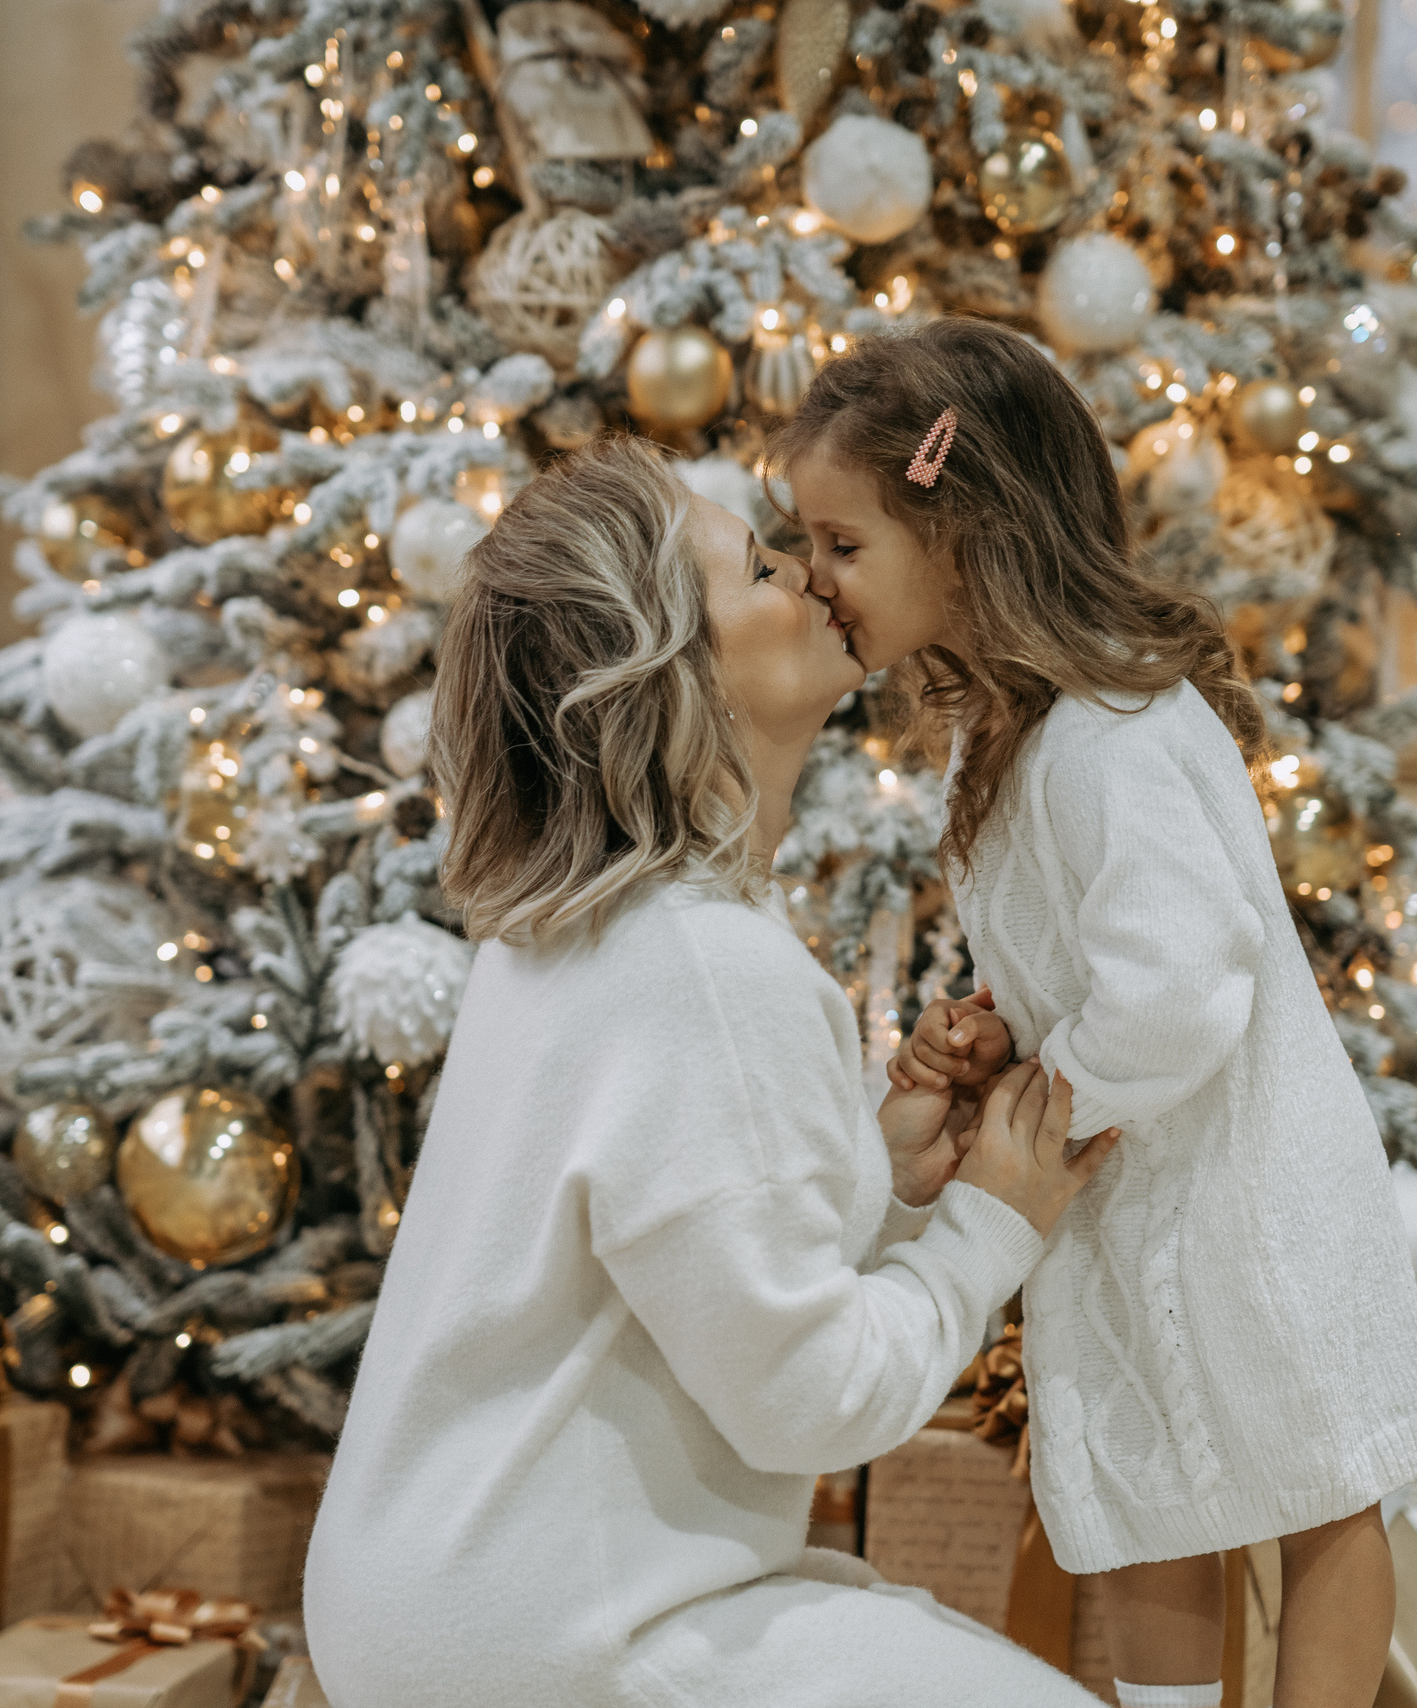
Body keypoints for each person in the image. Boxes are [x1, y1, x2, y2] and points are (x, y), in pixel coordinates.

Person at [301, 436, 1122, 1708]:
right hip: (553, 1642)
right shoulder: (701, 970)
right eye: (757, 567)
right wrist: (985, 1230)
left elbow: (676, 1258)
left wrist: (886, 1174)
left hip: (443, 1610)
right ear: (669, 669)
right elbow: (810, 1399)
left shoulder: (582, 937)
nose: (806, 574)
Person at [769, 317, 1417, 1708]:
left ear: (963, 530)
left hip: (1242, 1197)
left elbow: (1184, 985)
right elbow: (1093, 961)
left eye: (842, 545)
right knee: (1150, 1504)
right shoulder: (1017, 738)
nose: (814, 581)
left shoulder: (1107, 737)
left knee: (1321, 1484)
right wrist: (1001, 1033)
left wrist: (1038, 1105)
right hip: (1137, 1202)